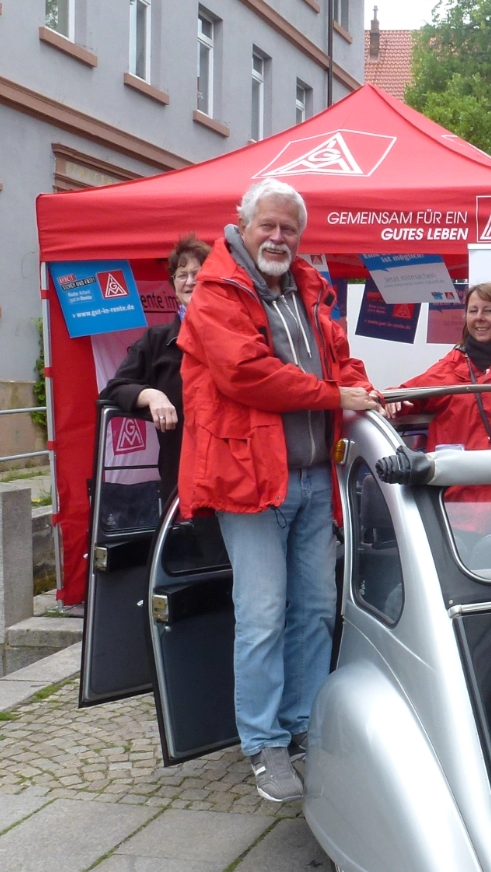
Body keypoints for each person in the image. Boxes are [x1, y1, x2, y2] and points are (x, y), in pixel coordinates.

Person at [178, 178, 380, 804]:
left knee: (316, 610)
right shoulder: (215, 291)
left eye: (290, 228)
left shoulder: (308, 289)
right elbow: (244, 374)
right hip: (249, 482)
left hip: (315, 479)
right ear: (242, 223)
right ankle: (264, 744)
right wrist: (333, 396)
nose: (279, 237)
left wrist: (363, 393)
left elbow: (339, 362)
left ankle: (304, 729)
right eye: (269, 224)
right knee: (263, 616)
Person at [392, 283, 491, 505]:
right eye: (473, 310)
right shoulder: (452, 365)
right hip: (455, 501)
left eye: (488, 311)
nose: (479, 318)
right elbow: (405, 395)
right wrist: (390, 401)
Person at [100, 234, 211, 512]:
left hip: (236, 475)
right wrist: (151, 395)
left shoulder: (236, 332)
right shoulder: (157, 340)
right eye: (181, 274)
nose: (189, 281)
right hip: (181, 478)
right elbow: (114, 389)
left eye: (197, 274)